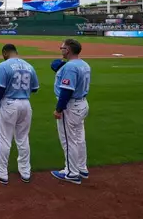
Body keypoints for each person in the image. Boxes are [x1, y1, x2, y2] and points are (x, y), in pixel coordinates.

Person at [0, 44, 39, 184]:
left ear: (4, 52)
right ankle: (26, 171)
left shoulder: (4, 65)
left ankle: (1, 171)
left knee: (4, 138)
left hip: (9, 103)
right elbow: (34, 88)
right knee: (22, 138)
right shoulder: (29, 66)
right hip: (26, 104)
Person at [50, 38, 91, 185]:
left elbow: (66, 91)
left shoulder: (70, 67)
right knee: (79, 138)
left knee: (69, 140)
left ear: (67, 50)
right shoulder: (84, 64)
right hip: (82, 103)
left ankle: (71, 173)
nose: (60, 49)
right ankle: (81, 167)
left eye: (62, 47)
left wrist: (59, 109)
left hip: (71, 106)